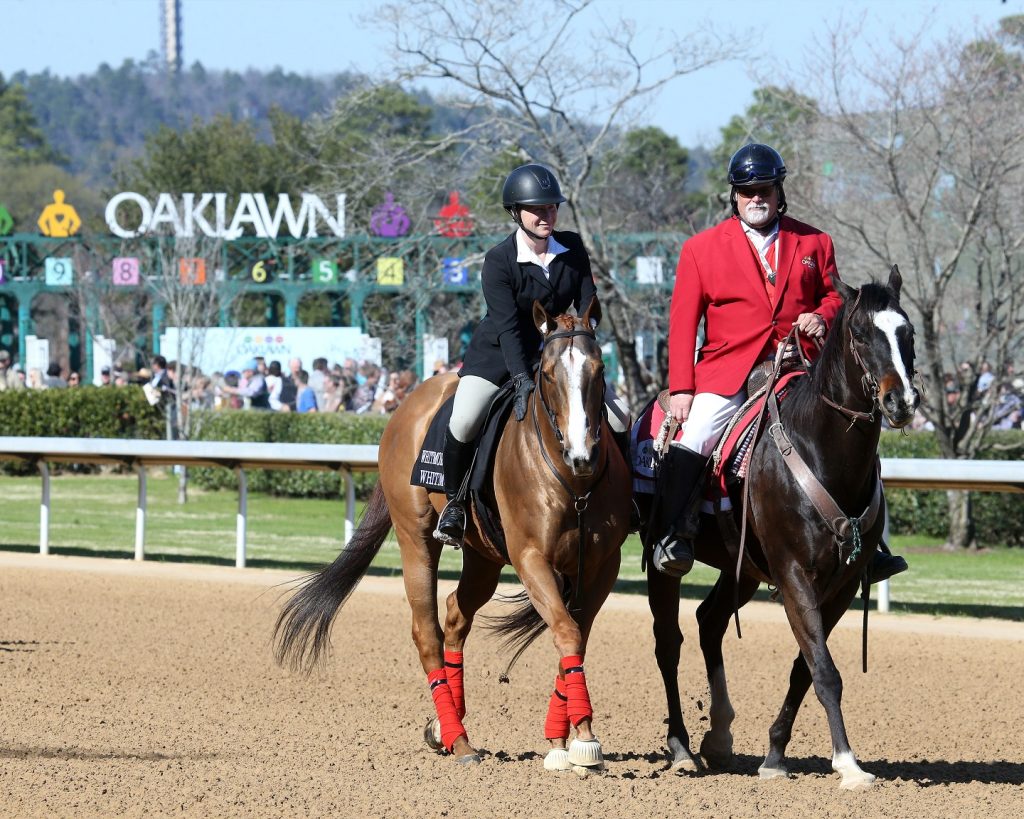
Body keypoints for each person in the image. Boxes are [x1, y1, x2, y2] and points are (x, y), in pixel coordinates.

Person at [654, 143, 906, 584]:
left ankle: (872, 545)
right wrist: (682, 389)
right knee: (696, 436)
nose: (757, 198)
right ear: (734, 195)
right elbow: (682, 324)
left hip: (799, 368)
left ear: (778, 191)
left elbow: (835, 296)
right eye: (747, 190)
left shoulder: (814, 241)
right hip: (729, 372)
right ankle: (674, 534)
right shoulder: (700, 249)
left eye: (765, 189)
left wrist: (822, 315)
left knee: (851, 436)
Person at [433, 163, 631, 548]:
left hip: (561, 356)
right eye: (537, 209)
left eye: (552, 208)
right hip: (500, 355)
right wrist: (523, 379)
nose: (546, 215)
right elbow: (508, 328)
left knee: (620, 417)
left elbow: (588, 300)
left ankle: (629, 502)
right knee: (465, 417)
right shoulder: (499, 261)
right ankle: (455, 506)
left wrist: (582, 331)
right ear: (516, 213)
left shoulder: (572, 248)